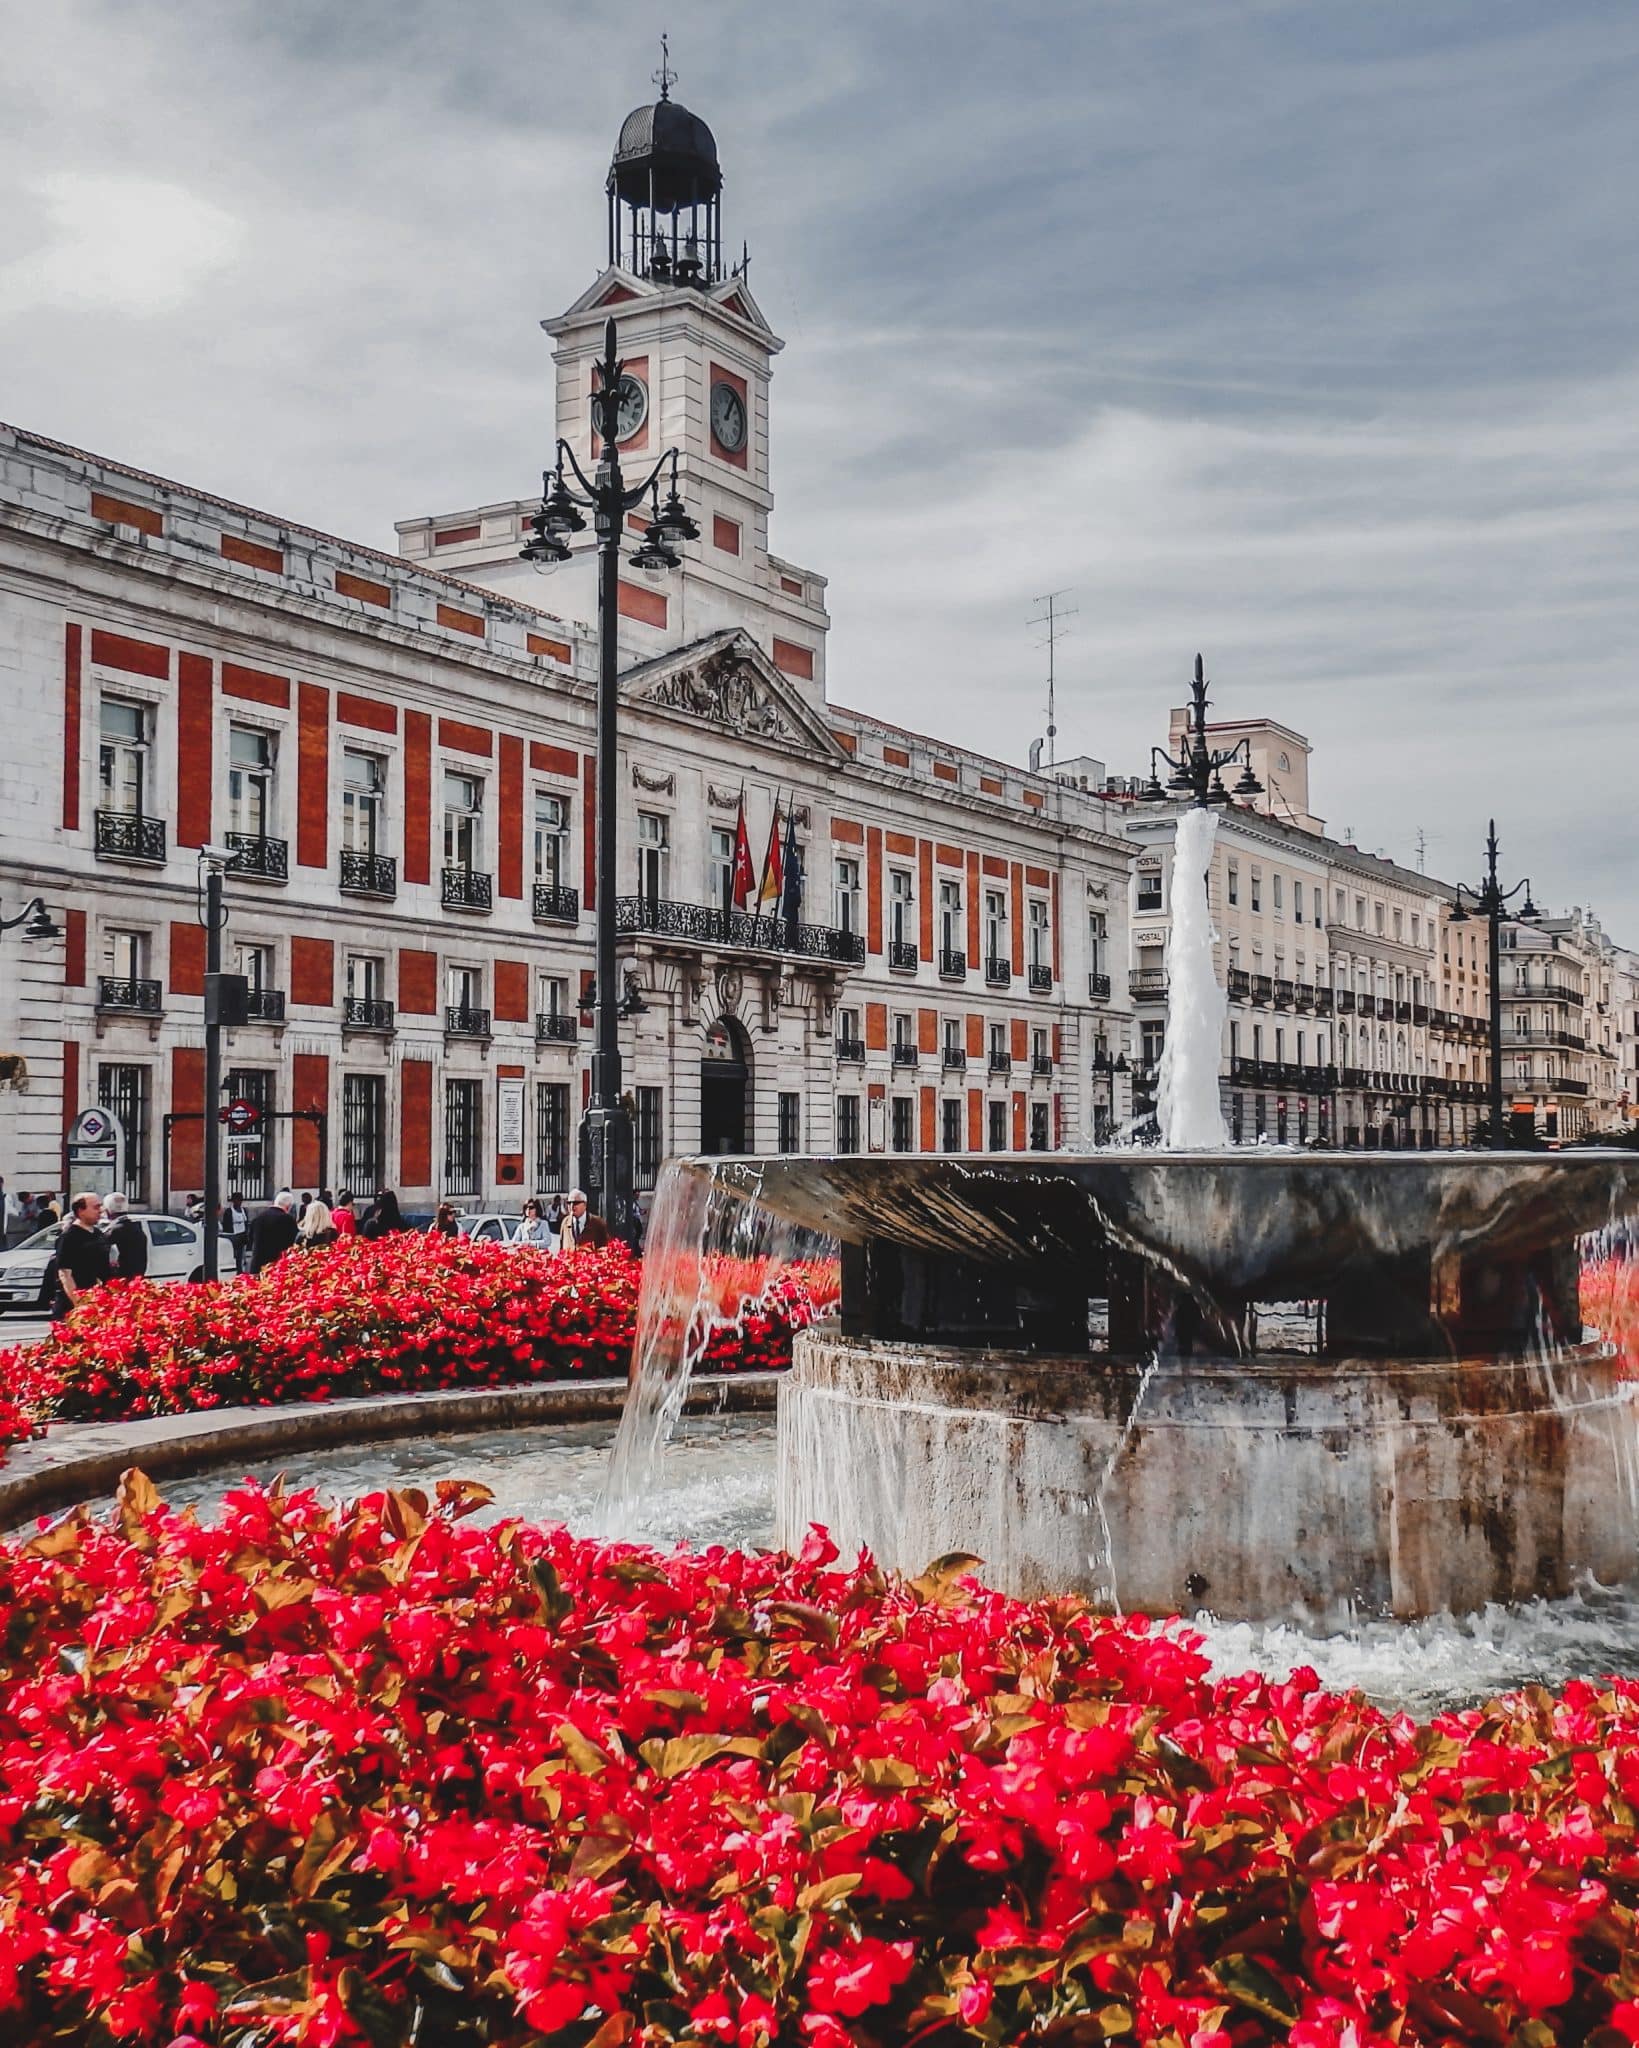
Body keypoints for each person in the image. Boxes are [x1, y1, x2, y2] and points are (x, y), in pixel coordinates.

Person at [50, 1192, 110, 1318]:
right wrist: (79, 1304)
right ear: (80, 1211)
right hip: (72, 1304)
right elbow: (65, 1273)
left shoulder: (98, 1234)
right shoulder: (69, 1237)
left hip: (96, 1299)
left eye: (100, 1206)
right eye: (96, 1207)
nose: (100, 1211)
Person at [246, 1190, 299, 1274]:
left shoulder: (259, 1217)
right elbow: (293, 1243)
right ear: (288, 1206)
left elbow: (250, 1239)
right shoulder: (287, 1220)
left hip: (257, 1264)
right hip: (276, 1266)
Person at [102, 1191, 149, 1280]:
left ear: (107, 1211)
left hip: (119, 1280)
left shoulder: (113, 1231)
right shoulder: (136, 1228)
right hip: (136, 1279)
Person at [222, 1197, 250, 1272]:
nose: (238, 1203)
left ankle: (240, 1269)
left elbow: (246, 1222)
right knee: (234, 1254)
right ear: (233, 1201)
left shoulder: (244, 1210)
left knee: (241, 1254)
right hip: (233, 1235)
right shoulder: (229, 1211)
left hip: (242, 1235)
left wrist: (246, 1233)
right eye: (237, 1201)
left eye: (240, 1201)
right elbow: (226, 1224)